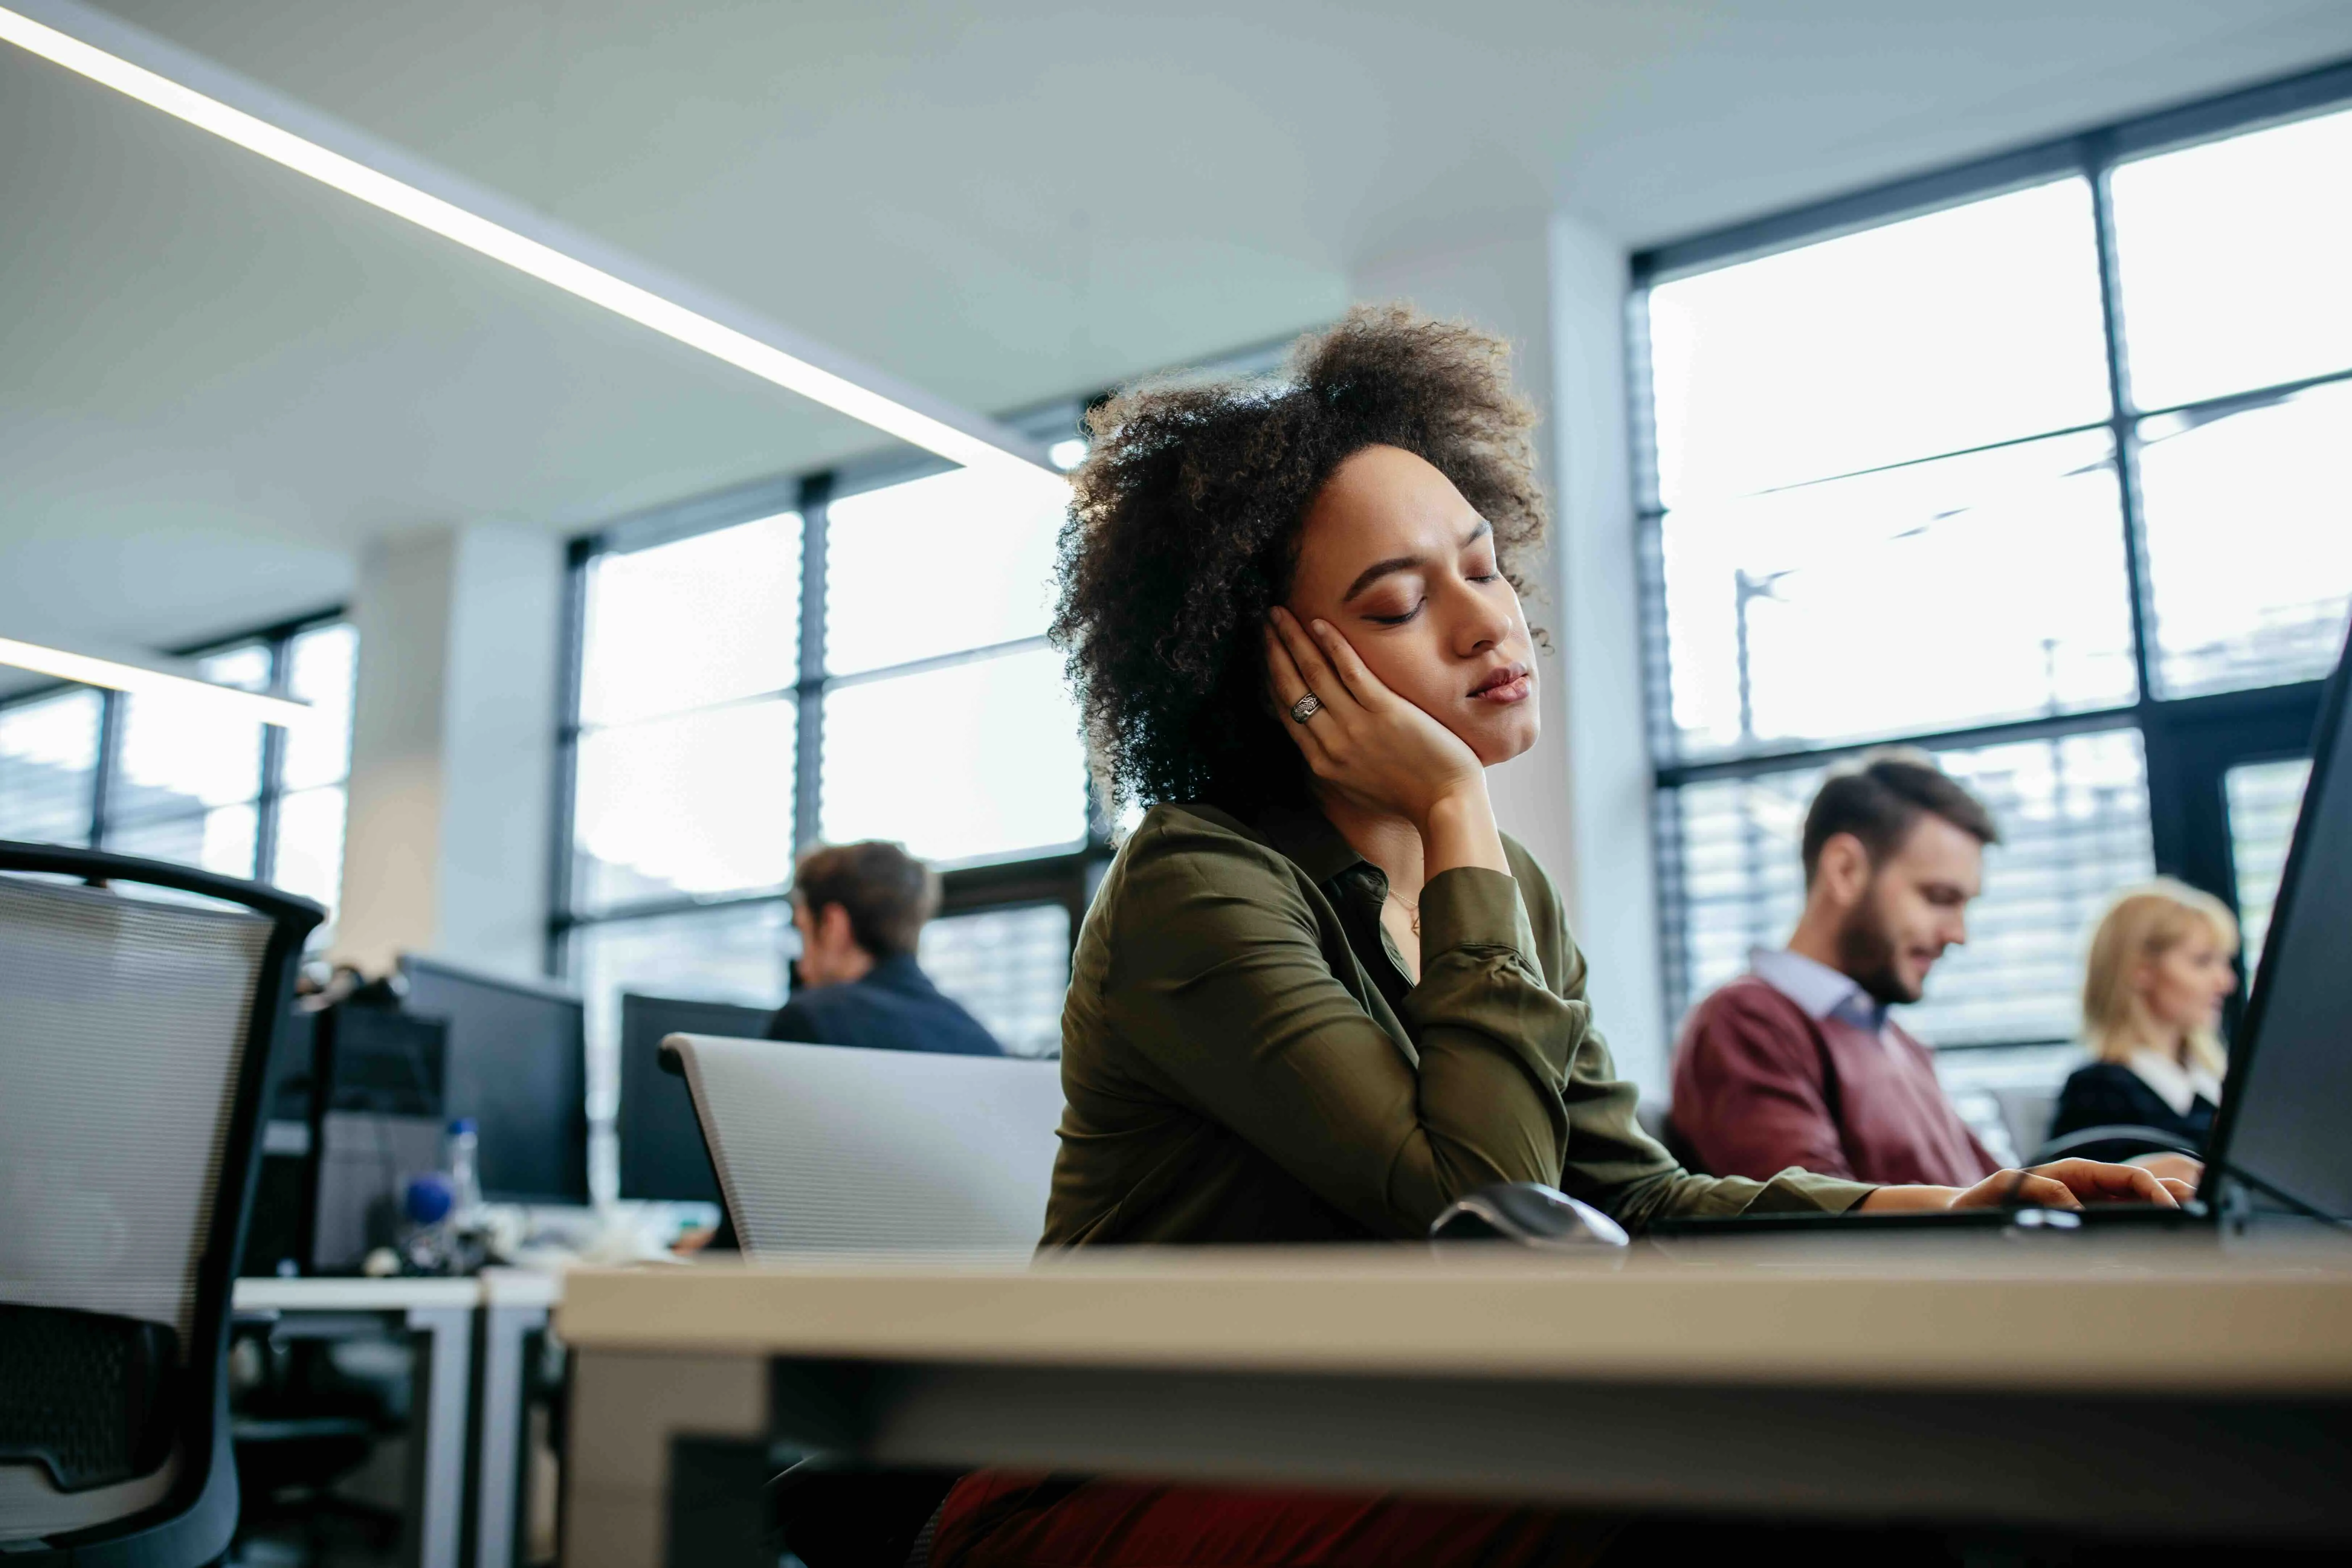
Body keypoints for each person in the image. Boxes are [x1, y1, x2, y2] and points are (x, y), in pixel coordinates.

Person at [920, 306, 2185, 1568]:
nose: (1487, 625)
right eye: (1401, 603)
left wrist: (1946, 1208)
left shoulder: (1497, 881)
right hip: (1127, 1471)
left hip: (1372, 1436)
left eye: (1481, 566)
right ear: (1275, 671)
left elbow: (1627, 1197)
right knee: (1781, 1456)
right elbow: (1494, 1215)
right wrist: (1456, 801)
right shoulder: (1195, 882)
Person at [1669, 753, 2006, 1188]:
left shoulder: (1895, 1040)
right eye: (1939, 897)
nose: (1958, 934)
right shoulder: (1747, 1022)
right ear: (1846, 870)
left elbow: (1994, 1193)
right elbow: (1820, 1228)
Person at [2048, 879, 2237, 1161]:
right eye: (2202, 961)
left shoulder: (2216, 1084)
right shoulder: (2098, 1093)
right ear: (2140, 970)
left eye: (2224, 962)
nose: (2226, 983)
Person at [764, 840, 1001, 1057]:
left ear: (833, 926)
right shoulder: (981, 1041)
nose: (802, 967)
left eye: (803, 932)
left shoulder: (810, 1021)